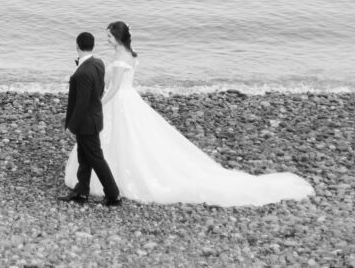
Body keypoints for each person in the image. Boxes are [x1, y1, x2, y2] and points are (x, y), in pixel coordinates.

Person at [63, 21, 314, 206]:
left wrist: (98, 102)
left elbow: (115, 88)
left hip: (119, 102)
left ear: (116, 38)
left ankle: (111, 190)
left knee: (110, 145)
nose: (106, 40)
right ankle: (90, 187)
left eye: (108, 36)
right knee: (127, 143)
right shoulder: (130, 55)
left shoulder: (118, 57)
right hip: (131, 100)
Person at [60, 31, 121, 206]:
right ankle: (81, 191)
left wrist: (71, 126)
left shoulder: (82, 73)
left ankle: (113, 194)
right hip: (94, 118)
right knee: (84, 156)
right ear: (92, 46)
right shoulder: (98, 63)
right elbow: (99, 89)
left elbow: (82, 104)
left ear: (77, 46)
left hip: (86, 122)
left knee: (96, 158)